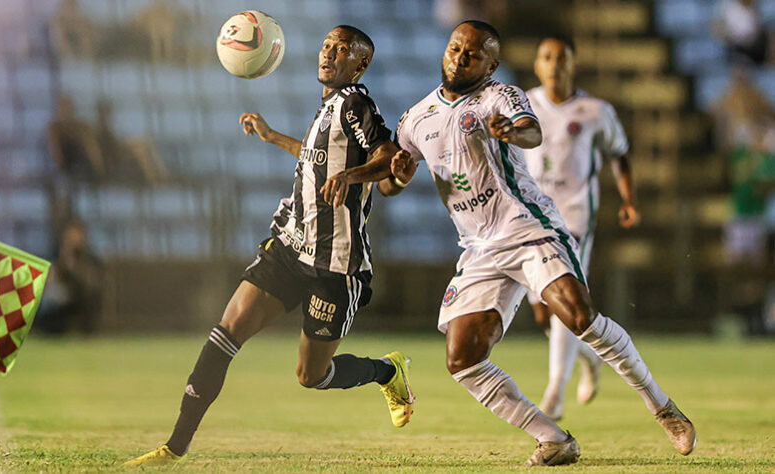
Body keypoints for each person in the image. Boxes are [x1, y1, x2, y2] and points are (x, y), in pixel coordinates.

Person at [324, 21, 696, 466]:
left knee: (579, 316)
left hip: (528, 228)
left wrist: (511, 132)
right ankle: (553, 438)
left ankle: (664, 408)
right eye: (455, 49)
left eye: (472, 54)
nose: (459, 58)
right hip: (479, 249)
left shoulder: (501, 96)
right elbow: (389, 181)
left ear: (491, 64)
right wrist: (399, 178)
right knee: (462, 359)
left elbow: (531, 130)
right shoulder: (417, 117)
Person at [124, 25, 416, 466]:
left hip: (335, 264)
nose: (330, 54)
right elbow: (318, 159)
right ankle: (174, 447)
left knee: (311, 376)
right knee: (225, 332)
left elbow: (386, 153)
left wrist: (350, 178)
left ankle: (387, 371)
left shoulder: (355, 101)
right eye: (326, 46)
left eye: (342, 50)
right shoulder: (327, 107)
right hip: (290, 245)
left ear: (361, 64)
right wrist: (273, 136)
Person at [522, 36, 639, 421]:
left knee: (564, 304)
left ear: (573, 64)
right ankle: (591, 358)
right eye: (547, 57)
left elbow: (619, 154)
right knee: (544, 311)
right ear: (538, 65)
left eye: (561, 58)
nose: (554, 64)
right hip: (530, 219)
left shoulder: (595, 111)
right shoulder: (523, 104)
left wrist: (628, 199)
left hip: (573, 219)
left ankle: (554, 393)